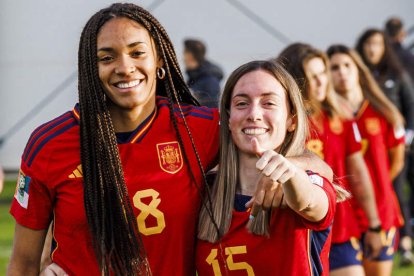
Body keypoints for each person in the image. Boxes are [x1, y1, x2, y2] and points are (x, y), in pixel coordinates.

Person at [7, 3, 332, 275]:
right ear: (90, 68)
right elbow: (22, 261)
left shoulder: (200, 129)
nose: (125, 67)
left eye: (137, 53)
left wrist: (287, 168)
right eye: (107, 58)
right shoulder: (49, 143)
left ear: (160, 60)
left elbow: (319, 167)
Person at [196, 60, 342, 275]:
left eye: (269, 103)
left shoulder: (306, 180)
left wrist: (290, 174)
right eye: (242, 103)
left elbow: (311, 201)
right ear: (228, 118)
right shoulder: (203, 190)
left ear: (292, 119)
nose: (253, 114)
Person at [278, 43, 383, 275]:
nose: (321, 81)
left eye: (323, 73)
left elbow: (359, 173)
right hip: (298, 232)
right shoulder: (284, 124)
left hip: (340, 231)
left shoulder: (340, 116)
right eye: (311, 76)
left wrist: (374, 225)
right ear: (297, 80)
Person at [327, 44, 405, 276]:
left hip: (381, 211)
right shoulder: (328, 118)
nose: (341, 72)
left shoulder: (384, 112)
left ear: (358, 70)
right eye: (334, 68)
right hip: (342, 217)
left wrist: (371, 188)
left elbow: (397, 162)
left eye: (347, 66)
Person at [356, 28, 414, 266]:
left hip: (391, 148)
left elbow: (409, 105)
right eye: (368, 44)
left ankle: (405, 243)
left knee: (396, 192)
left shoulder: (396, 74)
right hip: (362, 151)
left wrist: (407, 135)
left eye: (377, 44)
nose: (372, 49)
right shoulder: (356, 76)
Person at [183, 39, 223, 108]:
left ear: (190, 55)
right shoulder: (194, 78)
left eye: (184, 53)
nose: (183, 58)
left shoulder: (210, 81)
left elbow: (212, 110)